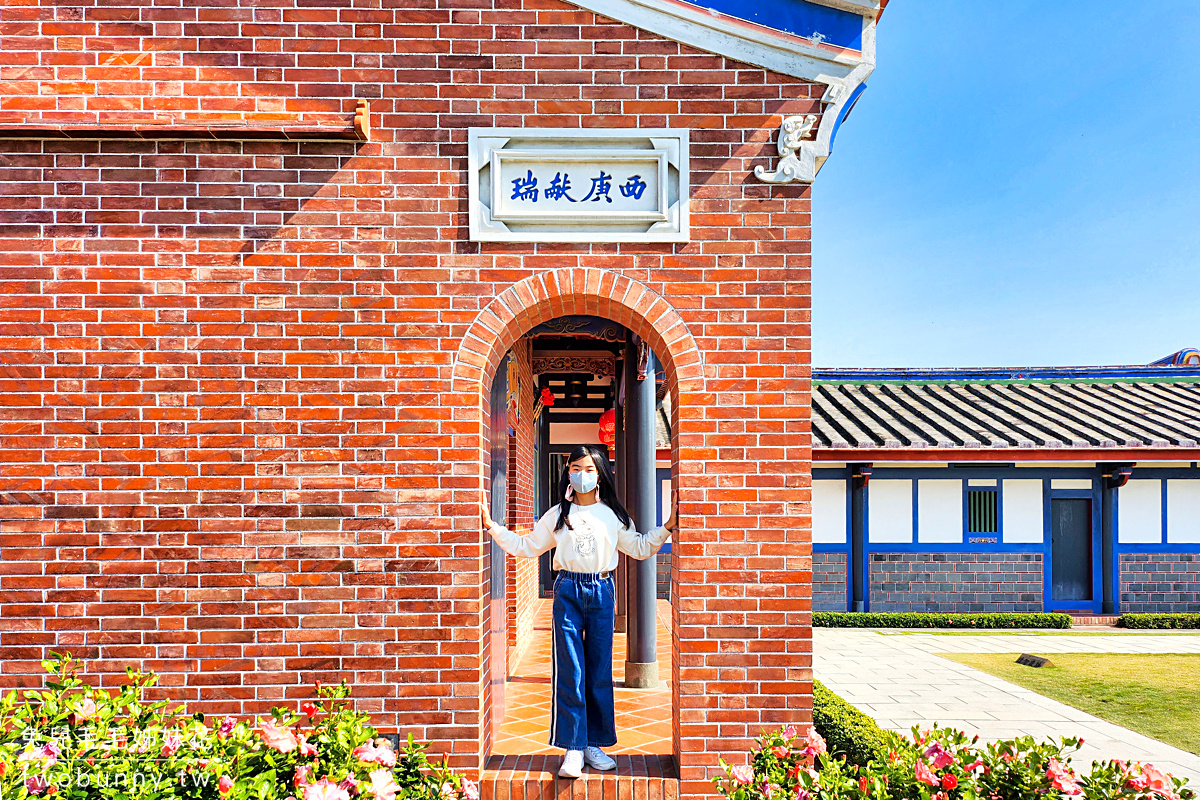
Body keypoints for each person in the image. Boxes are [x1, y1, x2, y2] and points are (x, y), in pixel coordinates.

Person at [480, 444, 676, 778]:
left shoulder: (613, 515)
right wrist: (492, 527)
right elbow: (526, 546)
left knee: (599, 670)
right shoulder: (558, 515)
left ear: (600, 473)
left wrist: (669, 525)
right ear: (567, 473)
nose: (581, 475)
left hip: (602, 590)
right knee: (571, 670)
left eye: (587, 469)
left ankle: (592, 744)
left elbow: (640, 548)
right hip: (568, 590)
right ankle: (573, 746)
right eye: (575, 468)